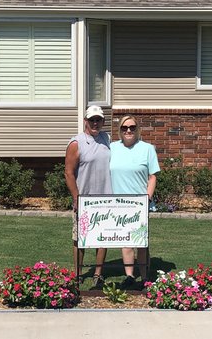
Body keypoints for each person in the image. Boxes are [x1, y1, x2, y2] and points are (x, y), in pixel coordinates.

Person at [64, 105, 112, 290]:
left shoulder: (107, 139)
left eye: (98, 119)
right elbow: (68, 173)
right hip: (85, 199)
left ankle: (97, 275)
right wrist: (76, 198)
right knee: (80, 239)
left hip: (106, 198)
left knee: (103, 238)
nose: (95, 123)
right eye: (91, 119)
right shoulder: (76, 143)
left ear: (103, 122)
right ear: (85, 121)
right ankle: (77, 275)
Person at [109, 115, 159, 289]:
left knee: (141, 242)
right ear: (120, 131)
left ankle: (145, 277)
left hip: (140, 203)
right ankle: (129, 276)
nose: (128, 131)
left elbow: (153, 176)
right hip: (118, 203)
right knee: (126, 240)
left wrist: (148, 197)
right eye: (124, 128)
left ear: (137, 129)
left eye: (132, 127)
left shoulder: (147, 149)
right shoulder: (112, 148)